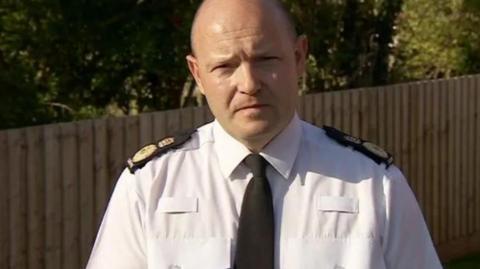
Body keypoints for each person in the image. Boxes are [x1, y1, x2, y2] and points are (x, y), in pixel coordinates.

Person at [86, 0, 443, 268]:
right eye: (225, 66)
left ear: (299, 57)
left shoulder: (371, 185)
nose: (249, 84)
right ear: (197, 74)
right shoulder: (150, 187)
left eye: (266, 60)